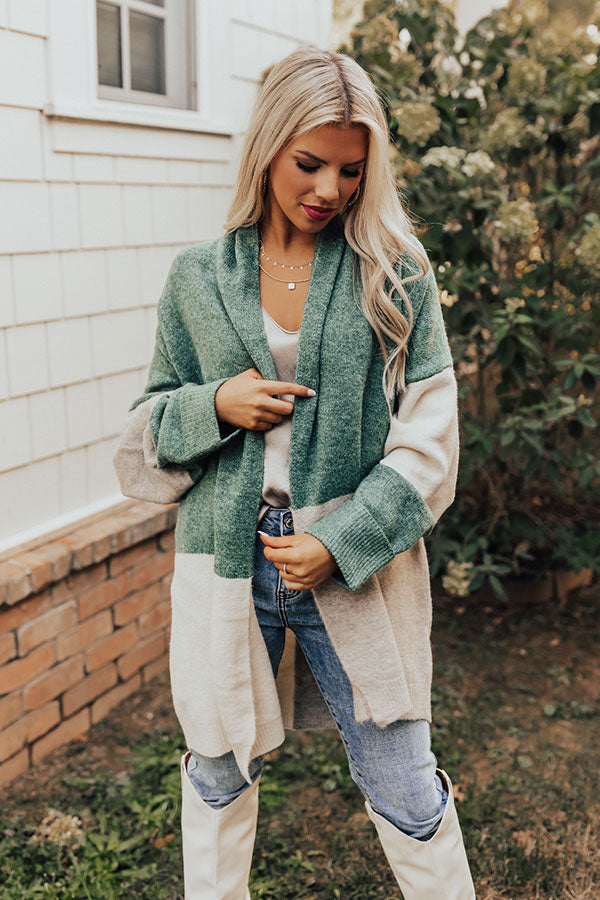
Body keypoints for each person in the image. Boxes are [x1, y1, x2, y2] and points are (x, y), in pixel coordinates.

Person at [113, 45, 476, 900]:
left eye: (351, 170)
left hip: (355, 565)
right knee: (217, 766)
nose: (329, 189)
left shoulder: (395, 272)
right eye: (309, 163)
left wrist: (340, 540)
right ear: (268, 145)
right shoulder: (198, 278)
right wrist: (215, 405)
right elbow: (140, 445)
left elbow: (432, 441)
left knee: (402, 771)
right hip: (227, 561)